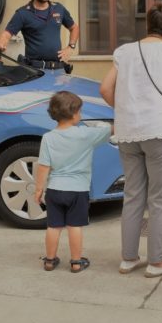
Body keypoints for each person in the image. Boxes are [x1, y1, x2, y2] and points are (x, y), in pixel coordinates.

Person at [99, 0, 162, 278]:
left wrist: (127, 110)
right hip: (160, 132)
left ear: (148, 25)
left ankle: (128, 258)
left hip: (128, 132)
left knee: (132, 196)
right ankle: (157, 262)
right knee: (160, 199)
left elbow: (106, 88)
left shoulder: (124, 52)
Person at [33, 91, 112, 273]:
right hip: (78, 190)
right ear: (74, 113)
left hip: (54, 189)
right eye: (80, 111)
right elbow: (109, 129)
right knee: (74, 226)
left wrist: (38, 190)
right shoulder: (85, 135)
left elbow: (43, 166)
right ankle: (76, 262)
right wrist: (102, 123)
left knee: (54, 227)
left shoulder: (48, 138)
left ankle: (50, 260)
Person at [0, 0, 78, 72]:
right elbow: (6, 35)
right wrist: (0, 45)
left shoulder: (59, 8)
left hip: (58, 70)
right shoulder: (23, 13)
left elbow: (74, 28)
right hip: (35, 70)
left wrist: (70, 47)